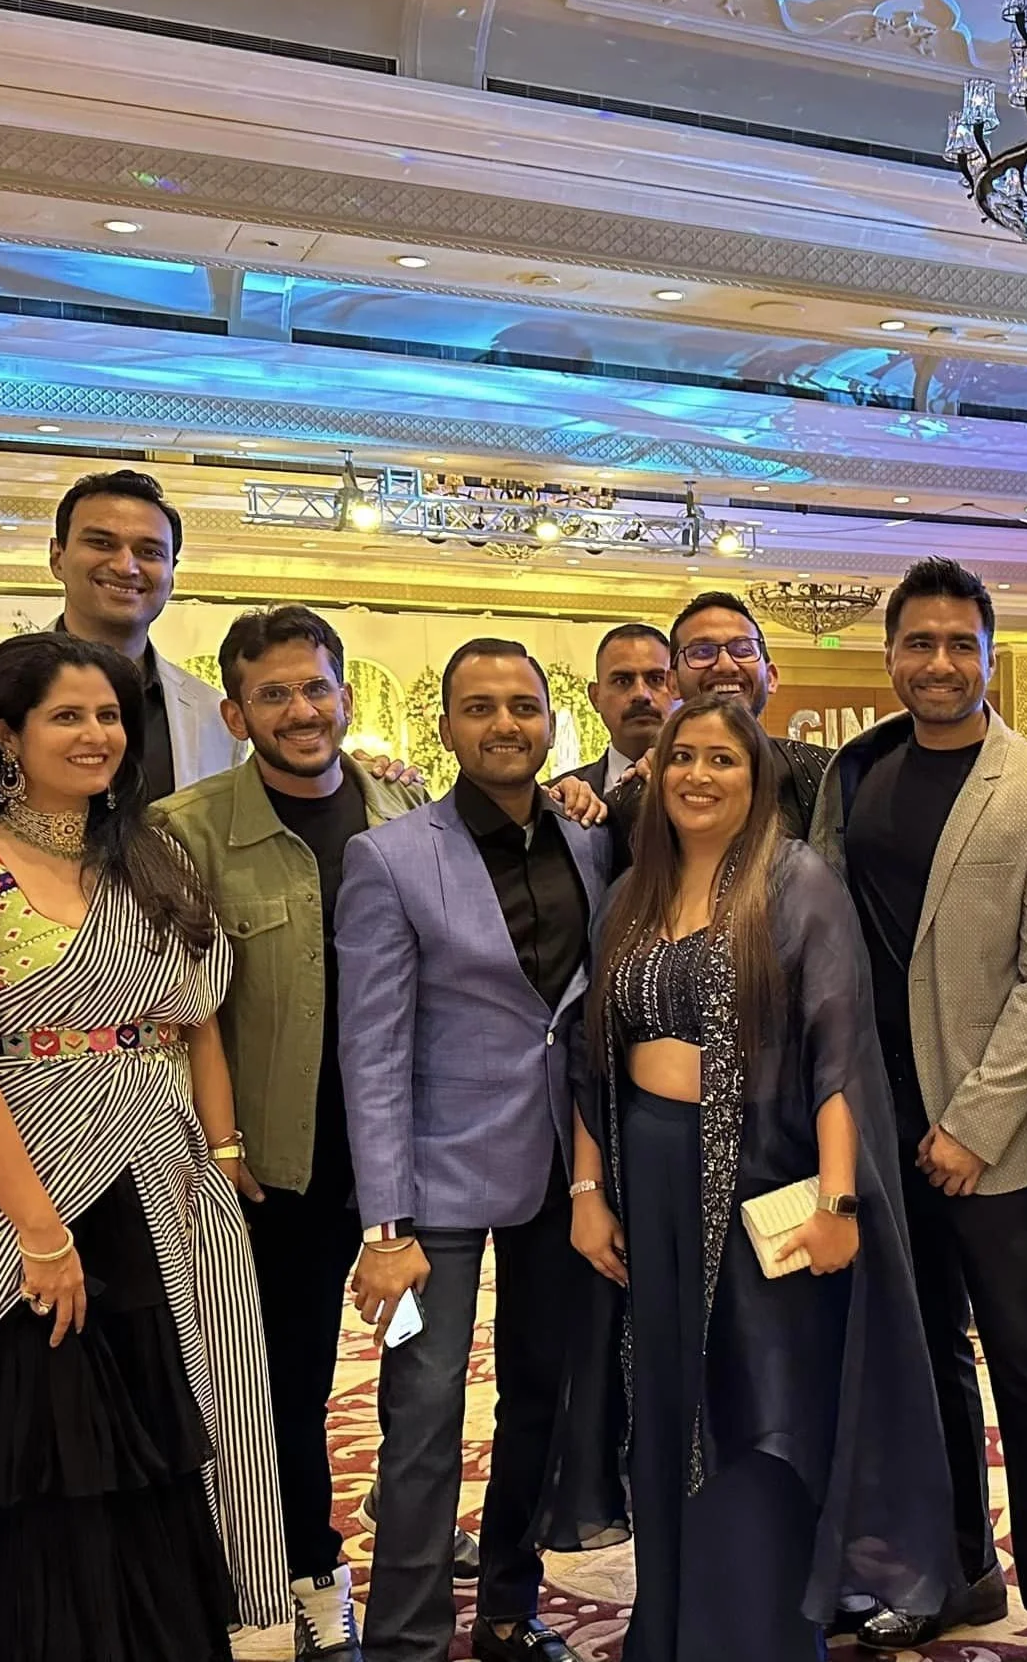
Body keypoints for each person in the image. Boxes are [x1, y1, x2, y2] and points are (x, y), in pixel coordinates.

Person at [0, 632, 288, 1662]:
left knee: (168, 1430)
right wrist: (39, 1233)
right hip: (31, 1193)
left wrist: (219, 1154)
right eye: (67, 716)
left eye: (111, 716)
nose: (97, 736)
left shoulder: (148, 859)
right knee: (43, 1440)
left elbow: (195, 1011)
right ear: (6, 733)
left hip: (157, 1179)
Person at [571, 693, 954, 1660]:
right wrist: (586, 1192)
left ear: (760, 778)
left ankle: (757, 1638)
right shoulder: (632, 896)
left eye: (723, 761)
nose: (700, 776)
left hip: (761, 1181)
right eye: (682, 758)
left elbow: (839, 1056)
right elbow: (587, 1057)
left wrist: (838, 1203)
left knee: (761, 1402)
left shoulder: (797, 883)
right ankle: (670, 1633)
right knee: (665, 1407)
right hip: (646, 1173)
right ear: (654, 776)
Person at [157, 605, 455, 1661]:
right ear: (237, 712)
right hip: (267, 1160)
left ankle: (337, 1564)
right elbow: (181, 1009)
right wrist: (221, 1148)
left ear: (342, 694)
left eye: (315, 688)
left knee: (416, 1373)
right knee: (272, 1382)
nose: (300, 710)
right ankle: (298, 1572)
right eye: (274, 694)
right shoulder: (187, 832)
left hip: (399, 1156)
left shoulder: (408, 813)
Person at [812, 557, 1027, 1661]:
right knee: (920, 1359)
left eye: (957, 645)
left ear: (988, 657)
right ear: (890, 655)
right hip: (877, 1127)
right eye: (916, 643)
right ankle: (952, 1570)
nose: (936, 663)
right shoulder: (857, 769)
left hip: (994, 1141)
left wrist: (973, 1123)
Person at [337, 638, 615, 1662]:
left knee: (542, 1396)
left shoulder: (592, 845)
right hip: (431, 1186)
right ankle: (405, 1638)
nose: (505, 723)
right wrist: (383, 1224)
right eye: (479, 706)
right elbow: (369, 1051)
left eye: (524, 705)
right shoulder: (391, 858)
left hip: (560, 1174)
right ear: (448, 726)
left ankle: (508, 1609)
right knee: (420, 1411)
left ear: (553, 721)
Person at [0, 470, 237, 816]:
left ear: (171, 574)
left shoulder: (212, 717)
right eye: (101, 543)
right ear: (57, 557)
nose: (126, 566)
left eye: (149, 551)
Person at [603, 592, 831, 862]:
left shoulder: (824, 775)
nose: (725, 664)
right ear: (672, 683)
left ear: (771, 677)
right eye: (702, 652)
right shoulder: (639, 795)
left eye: (743, 649)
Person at [562, 622, 676, 792]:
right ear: (595, 697)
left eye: (656, 679)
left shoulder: (710, 790)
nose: (641, 694)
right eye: (622, 681)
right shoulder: (557, 802)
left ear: (676, 687)